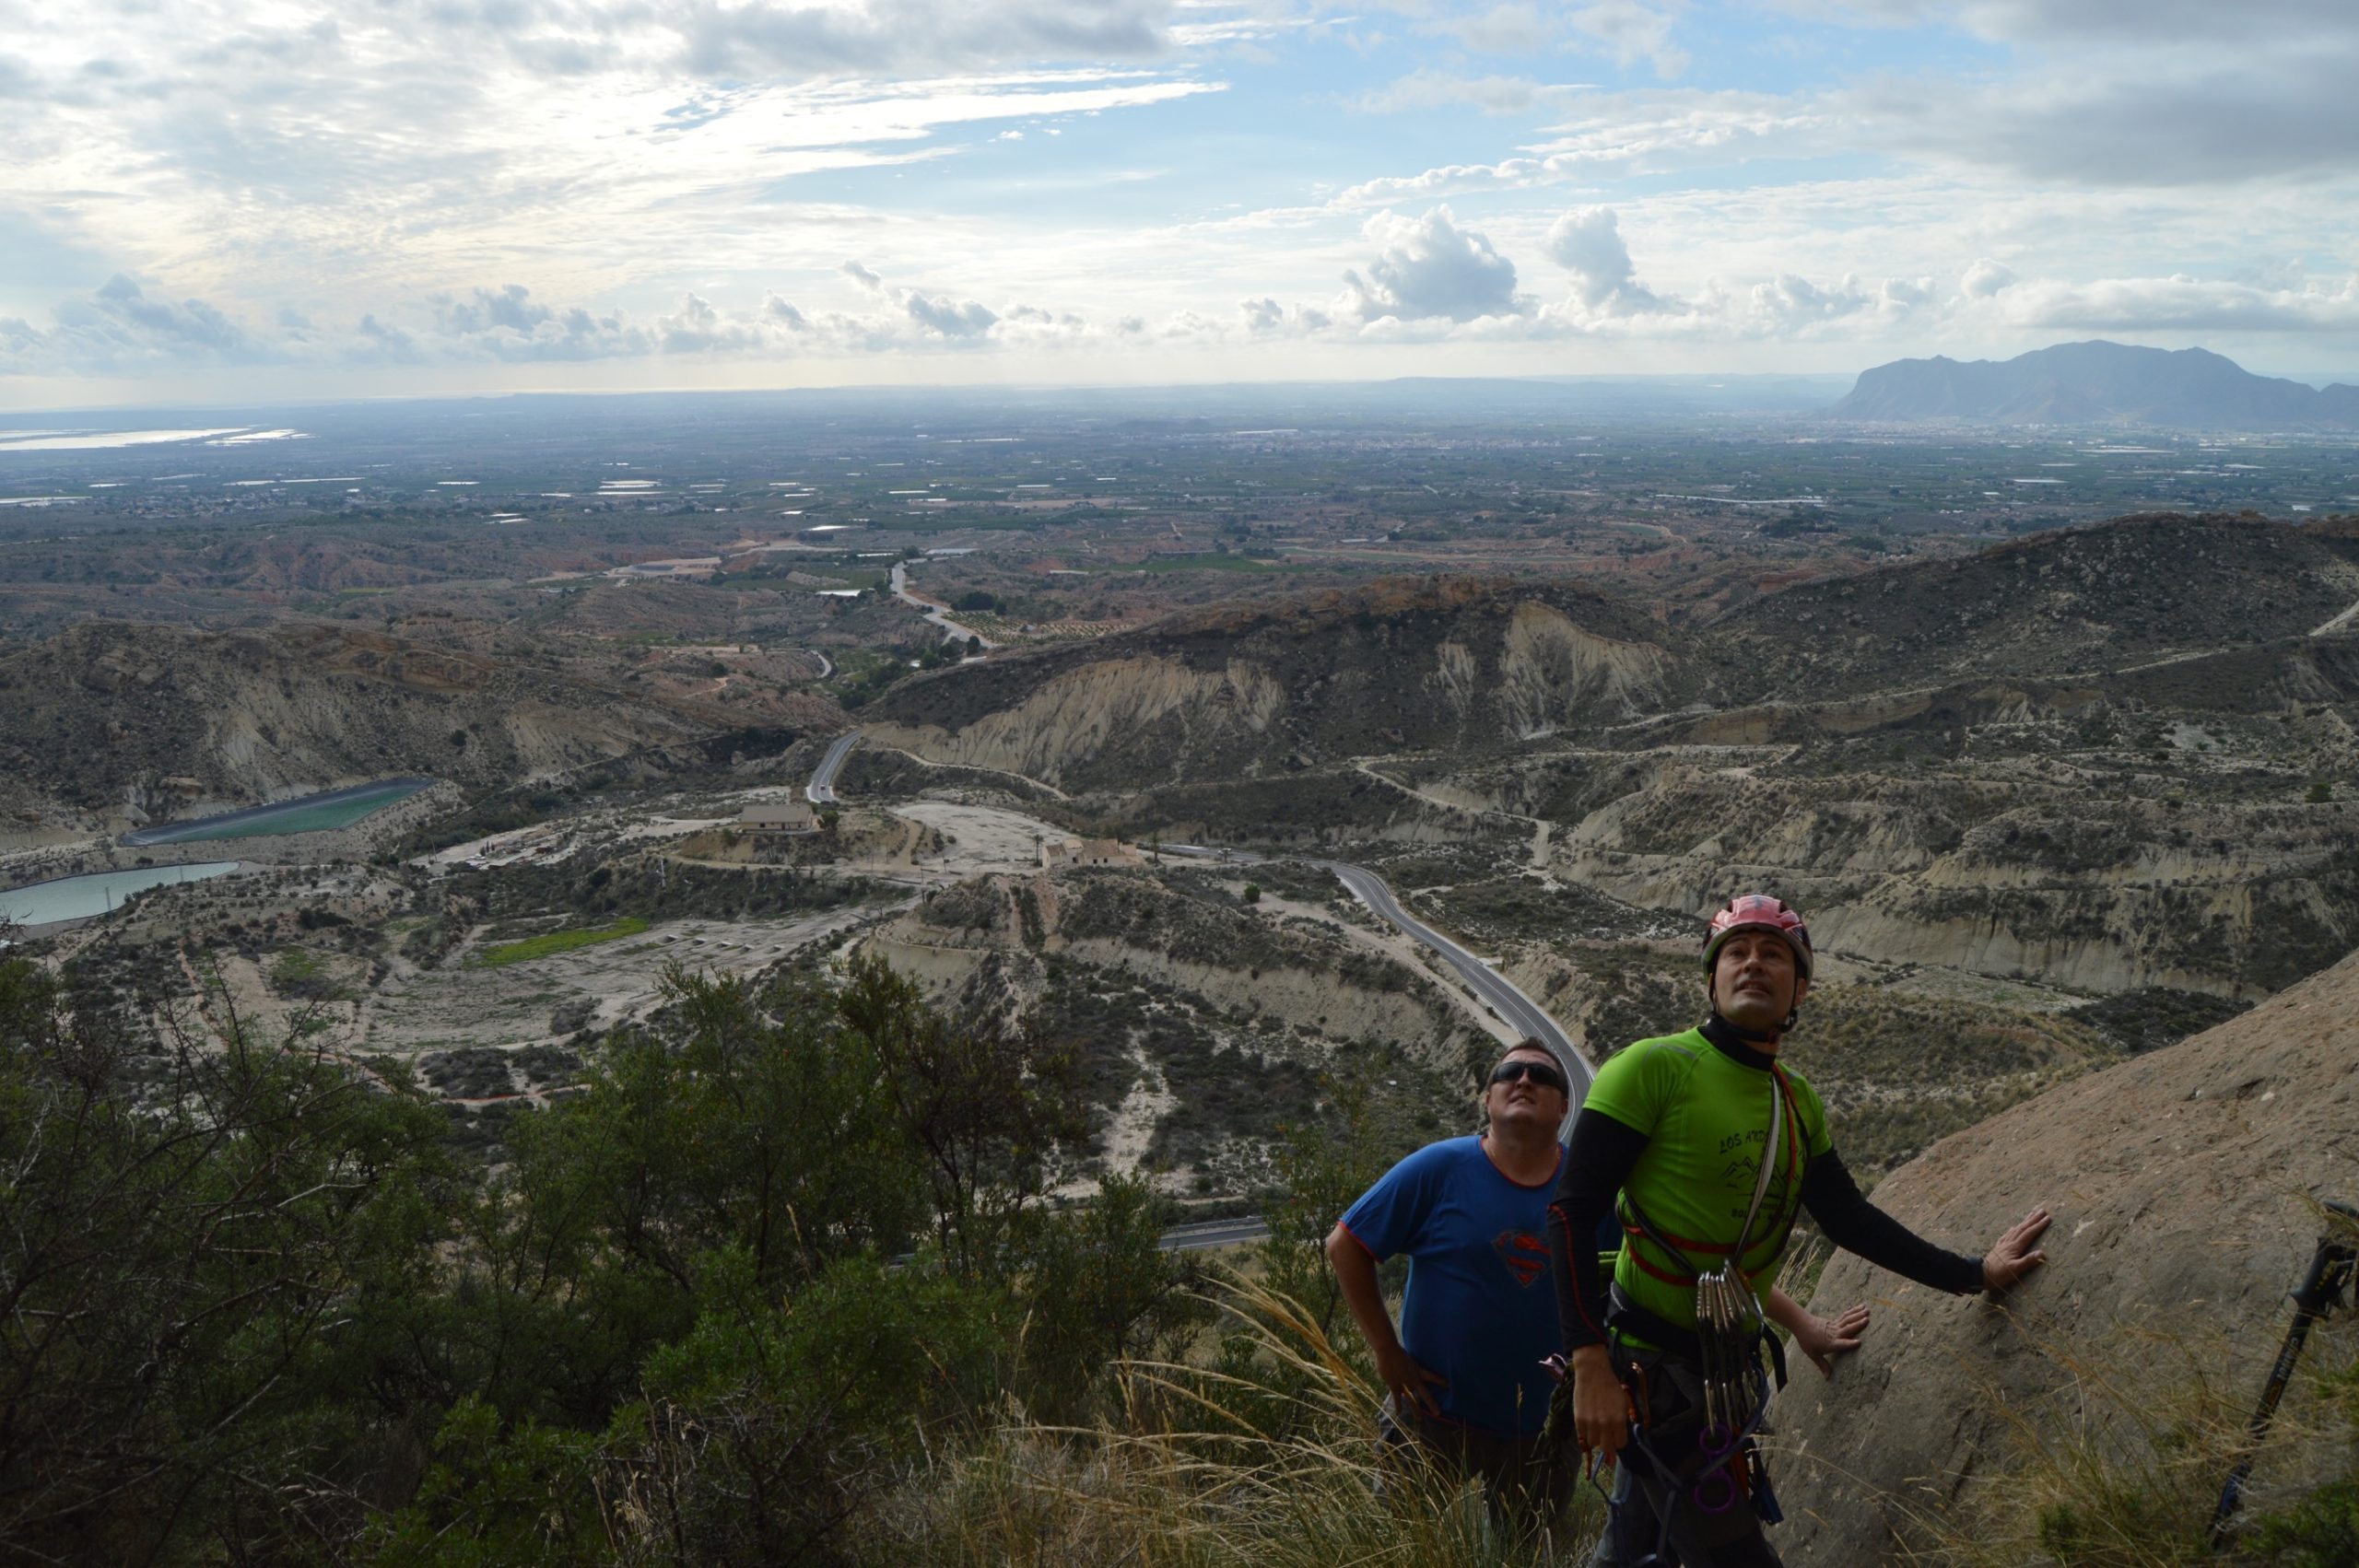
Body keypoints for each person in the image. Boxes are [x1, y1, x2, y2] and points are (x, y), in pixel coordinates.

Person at [1547, 894, 2053, 1567]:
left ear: (1801, 990)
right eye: (1736, 952)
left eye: (1774, 955)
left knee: (1634, 1543)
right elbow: (1571, 1212)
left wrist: (1973, 1273)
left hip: (1721, 1373)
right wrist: (1588, 1365)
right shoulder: (1651, 1068)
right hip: (1655, 1371)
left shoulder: (1796, 1100)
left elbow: (1848, 1219)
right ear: (1712, 980)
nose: (1754, 963)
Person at [1325, 1039, 1871, 1523]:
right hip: (1430, 1416)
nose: (1524, 1080)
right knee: (1394, 1547)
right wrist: (1386, 1351)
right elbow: (1346, 1245)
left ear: (1565, 1107)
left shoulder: (1590, 1193)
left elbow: (1687, 1268)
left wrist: (1802, 1323)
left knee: (1528, 1552)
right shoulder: (1437, 1169)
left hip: (1547, 1428)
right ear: (1487, 1099)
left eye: (1543, 1077)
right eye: (1510, 1072)